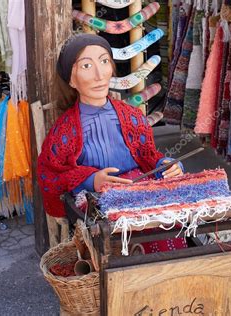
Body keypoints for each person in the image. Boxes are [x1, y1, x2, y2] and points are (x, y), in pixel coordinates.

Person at [37, 34, 186, 253]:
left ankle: (169, 275)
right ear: (71, 79)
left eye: (104, 61)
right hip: (98, 200)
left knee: (172, 216)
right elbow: (50, 175)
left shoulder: (132, 116)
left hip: (142, 187)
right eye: (87, 65)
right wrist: (90, 179)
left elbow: (149, 155)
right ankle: (133, 278)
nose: (99, 74)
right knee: (131, 224)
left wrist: (168, 164)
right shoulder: (65, 130)